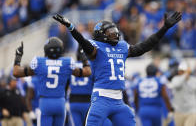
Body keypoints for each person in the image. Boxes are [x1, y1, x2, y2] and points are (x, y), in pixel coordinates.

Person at [53, 11, 181, 126]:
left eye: (114, 31)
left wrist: (164, 29)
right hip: (101, 99)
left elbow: (145, 46)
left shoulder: (122, 47)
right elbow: (84, 42)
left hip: (119, 101)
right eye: (110, 32)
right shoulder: (96, 48)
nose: (114, 34)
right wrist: (71, 27)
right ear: (101, 35)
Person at [12, 37, 91, 126]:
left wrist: (18, 57)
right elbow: (87, 72)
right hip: (60, 103)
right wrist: (83, 57)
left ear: (46, 49)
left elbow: (16, 73)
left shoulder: (39, 62)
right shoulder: (67, 62)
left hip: (45, 103)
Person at [167, 61, 196, 126]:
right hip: (179, 111)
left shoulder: (194, 80)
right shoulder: (175, 79)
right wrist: (185, 76)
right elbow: (176, 85)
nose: (181, 72)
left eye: (183, 71)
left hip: (192, 111)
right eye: (180, 71)